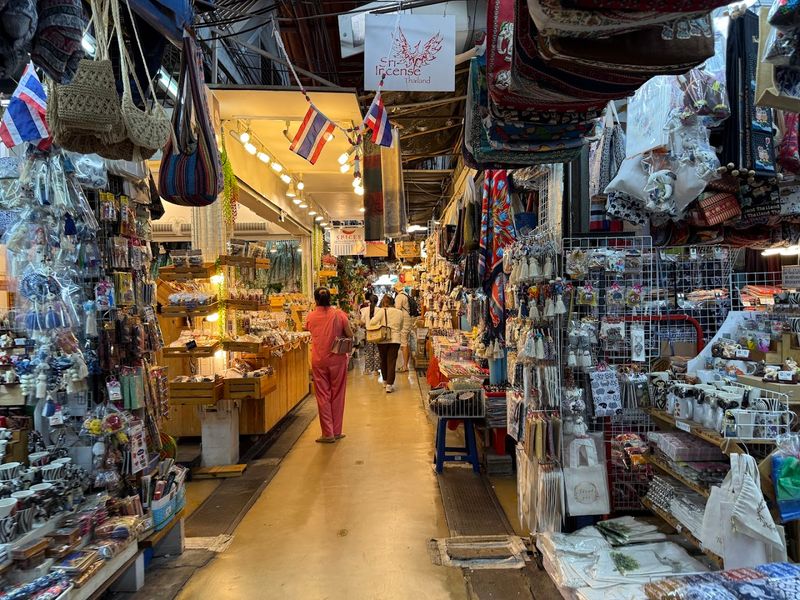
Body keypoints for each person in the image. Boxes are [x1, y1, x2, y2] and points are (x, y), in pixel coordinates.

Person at [304, 287, 353, 443]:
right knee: (338, 394)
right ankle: (337, 431)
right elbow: (350, 334)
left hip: (319, 360)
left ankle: (327, 433)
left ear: (315, 300)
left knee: (322, 396)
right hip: (338, 359)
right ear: (330, 299)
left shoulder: (310, 316)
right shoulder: (339, 314)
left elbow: (307, 329)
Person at [368, 295, 404, 393]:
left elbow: (372, 322)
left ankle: (384, 381)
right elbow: (401, 326)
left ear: (383, 303)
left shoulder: (381, 311)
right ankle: (389, 385)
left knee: (383, 360)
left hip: (383, 339)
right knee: (391, 361)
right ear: (393, 302)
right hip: (395, 339)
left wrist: (381, 323)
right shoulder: (399, 312)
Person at [394, 284, 414, 372]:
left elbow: (397, 309)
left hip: (404, 320)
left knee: (404, 343)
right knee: (406, 342)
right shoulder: (406, 294)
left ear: (396, 289)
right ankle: (406, 365)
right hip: (408, 319)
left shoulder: (399, 297)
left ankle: (405, 366)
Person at [359, 294, 380, 375]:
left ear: (369, 301)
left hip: (368, 333)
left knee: (368, 351)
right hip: (378, 333)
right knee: (377, 351)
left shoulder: (364, 310)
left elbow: (362, 322)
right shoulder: (380, 310)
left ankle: (367, 370)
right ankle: (376, 371)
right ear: (377, 301)